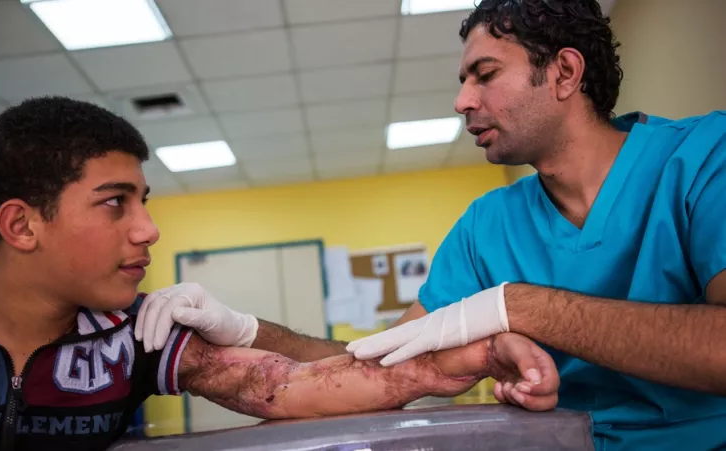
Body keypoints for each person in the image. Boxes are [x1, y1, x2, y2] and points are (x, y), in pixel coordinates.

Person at [135, 1, 726, 450]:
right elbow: (376, 361)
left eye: (484, 74)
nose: (462, 100)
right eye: (463, 81)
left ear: (565, 73)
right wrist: (241, 330)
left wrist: (522, 306)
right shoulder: (488, 224)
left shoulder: (703, 159)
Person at [0, 96, 560, 451]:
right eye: (115, 202)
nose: (147, 229)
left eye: (145, 202)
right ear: (22, 225)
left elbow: (297, 388)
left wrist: (475, 355)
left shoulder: (136, 335)